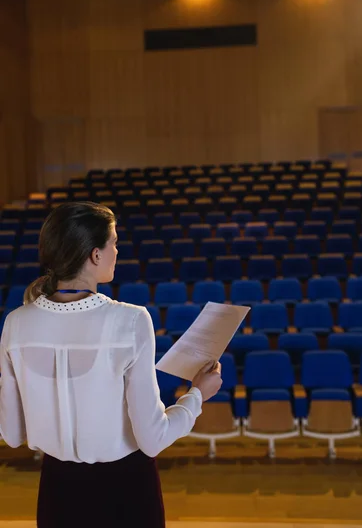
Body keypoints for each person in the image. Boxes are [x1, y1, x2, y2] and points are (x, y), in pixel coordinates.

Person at [0, 201, 222, 527]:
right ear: (95, 255)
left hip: (56, 492)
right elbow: (153, 438)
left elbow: (12, 432)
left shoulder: (15, 323)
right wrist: (197, 395)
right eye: (114, 242)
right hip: (126, 490)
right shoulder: (130, 321)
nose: (117, 250)